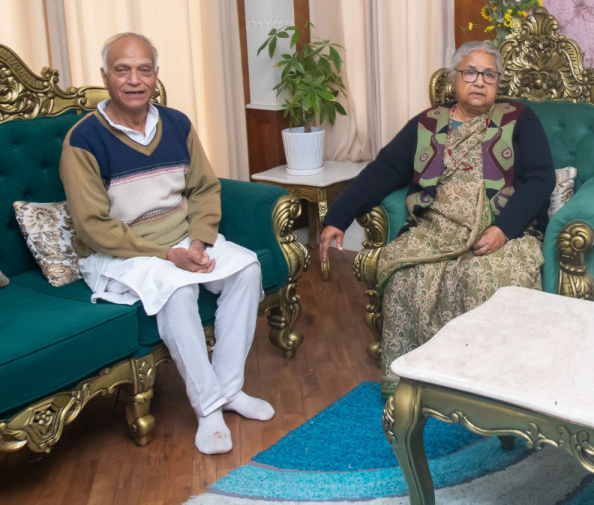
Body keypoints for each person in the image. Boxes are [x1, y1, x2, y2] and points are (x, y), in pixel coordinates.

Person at [60, 33, 274, 455]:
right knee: (177, 291)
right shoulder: (83, 141)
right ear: (105, 76)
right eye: (122, 70)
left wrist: (198, 241)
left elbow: (205, 188)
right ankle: (208, 409)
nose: (134, 80)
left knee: (247, 270)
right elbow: (92, 226)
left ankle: (229, 389)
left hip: (182, 240)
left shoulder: (177, 124)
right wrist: (167, 255)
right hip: (122, 252)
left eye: (144, 69)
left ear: (156, 75)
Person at [319, 40, 554, 393]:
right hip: (434, 228)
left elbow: (541, 180)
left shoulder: (519, 118)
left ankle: (489, 386)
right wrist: (338, 216)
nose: (479, 81)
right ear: (453, 79)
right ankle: (418, 383)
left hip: (502, 231)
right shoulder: (427, 124)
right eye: (470, 73)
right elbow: (384, 170)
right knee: (404, 276)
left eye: (489, 74)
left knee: (482, 279)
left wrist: (503, 230)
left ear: (498, 82)